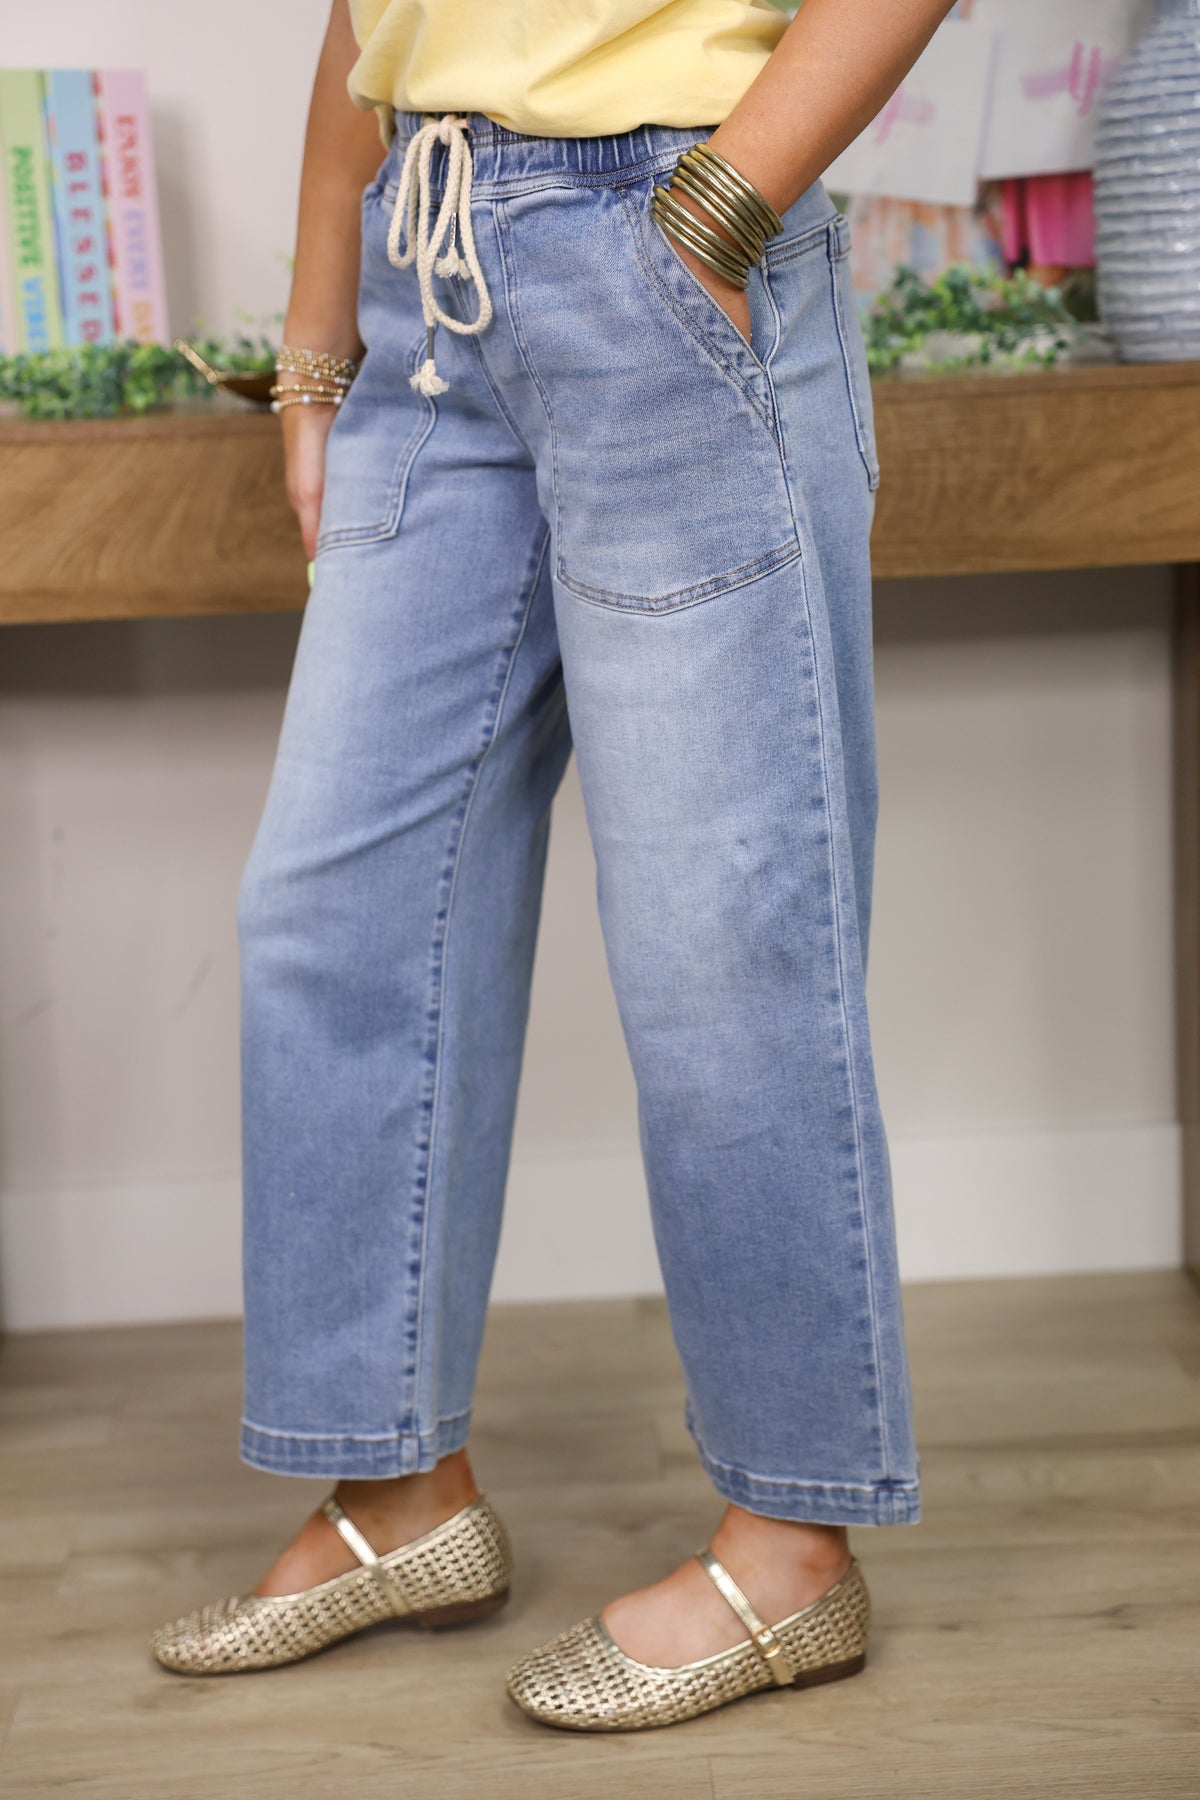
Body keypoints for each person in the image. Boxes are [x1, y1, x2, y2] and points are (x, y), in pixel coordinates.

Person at [152, 0, 951, 1730]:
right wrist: (317, 331)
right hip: (425, 275)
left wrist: (721, 211)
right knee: (339, 908)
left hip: (662, 233)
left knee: (716, 932)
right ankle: (397, 1494)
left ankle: (791, 1544)